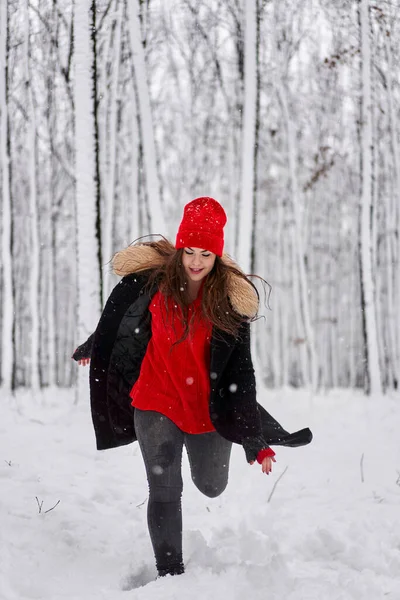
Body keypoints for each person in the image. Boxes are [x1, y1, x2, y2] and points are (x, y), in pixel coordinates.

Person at [72, 197, 312, 578]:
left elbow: (242, 375)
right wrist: (95, 344)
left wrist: (253, 439)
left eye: (205, 253)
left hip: (206, 408)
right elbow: (121, 320)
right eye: (189, 251)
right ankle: (171, 574)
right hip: (156, 399)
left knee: (212, 485)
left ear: (217, 256)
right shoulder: (153, 284)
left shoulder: (228, 304)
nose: (196, 261)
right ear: (180, 249)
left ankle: (215, 458)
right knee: (164, 484)